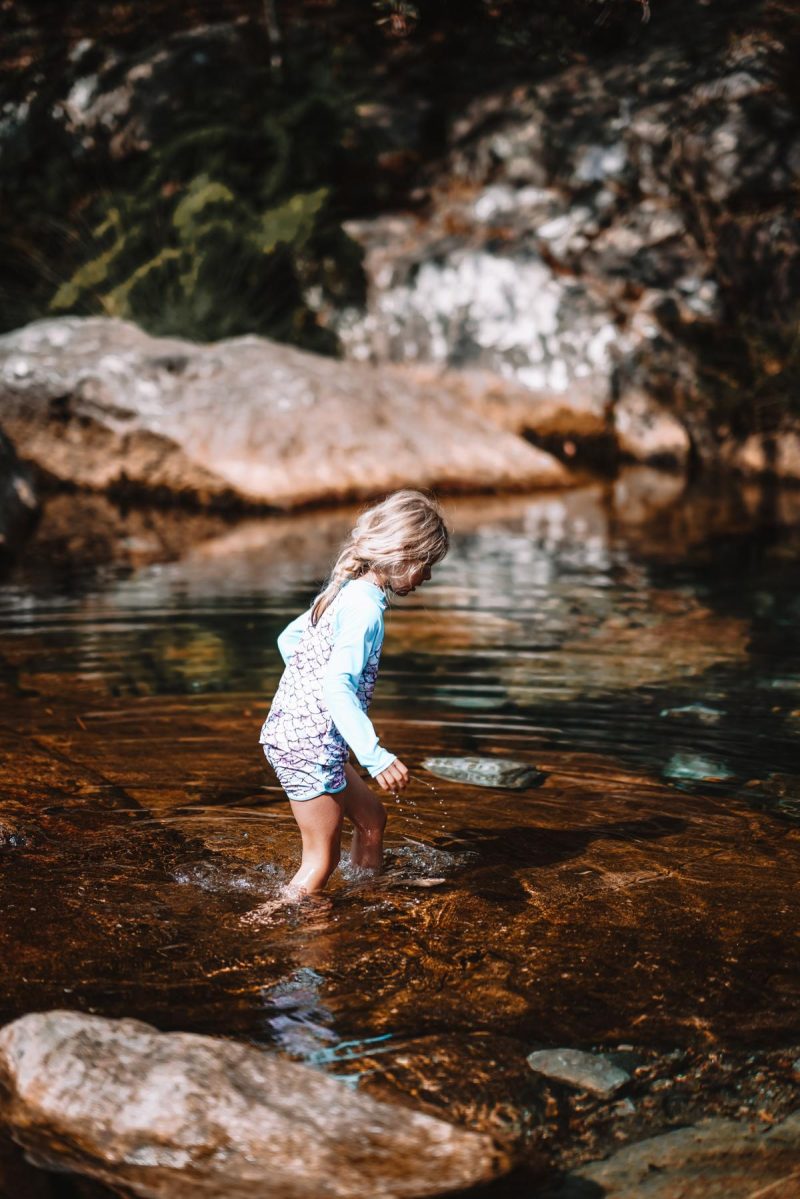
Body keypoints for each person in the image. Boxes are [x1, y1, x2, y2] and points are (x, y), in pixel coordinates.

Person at [253, 489, 449, 906]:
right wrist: (375, 756)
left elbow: (288, 640)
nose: (427, 577)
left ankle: (365, 900)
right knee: (319, 863)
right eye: (427, 565)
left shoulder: (345, 591)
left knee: (373, 820)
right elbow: (338, 686)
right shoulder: (366, 610)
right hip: (311, 746)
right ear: (404, 554)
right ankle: (256, 932)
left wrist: (307, 691)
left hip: (304, 737)